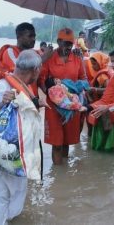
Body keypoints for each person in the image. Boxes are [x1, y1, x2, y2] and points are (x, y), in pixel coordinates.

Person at [0, 49, 44, 224]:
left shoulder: (23, 86)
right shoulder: (2, 87)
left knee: (13, 203)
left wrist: (36, 103)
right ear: (36, 70)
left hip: (15, 158)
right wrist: (2, 102)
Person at [40, 28, 87, 165]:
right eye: (65, 43)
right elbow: (41, 81)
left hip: (72, 103)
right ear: (58, 41)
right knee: (57, 143)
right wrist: (53, 87)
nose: (67, 47)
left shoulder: (77, 57)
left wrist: (72, 88)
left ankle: (63, 173)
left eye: (70, 44)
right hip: (53, 106)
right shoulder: (49, 58)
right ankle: (58, 178)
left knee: (67, 141)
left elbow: (84, 79)